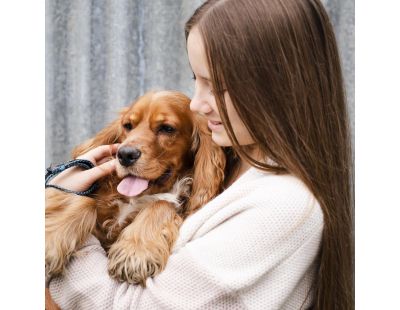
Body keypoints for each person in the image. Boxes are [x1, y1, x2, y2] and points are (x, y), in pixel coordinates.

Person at [47, 0, 353, 309]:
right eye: (197, 80)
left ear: (278, 85)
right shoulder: (231, 160)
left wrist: (58, 213)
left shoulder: (283, 208)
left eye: (217, 86)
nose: (196, 104)